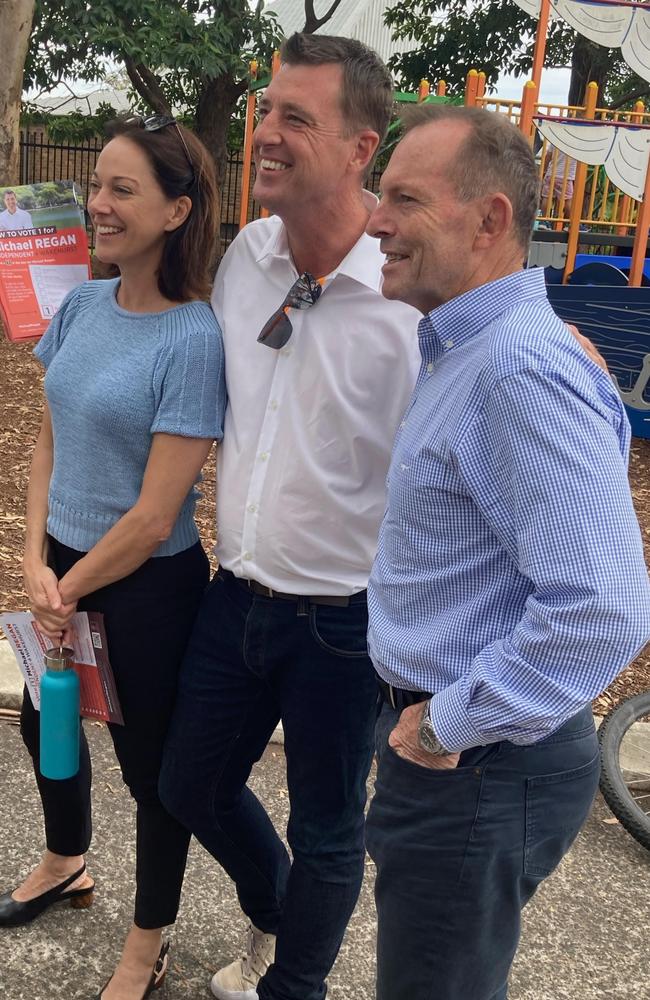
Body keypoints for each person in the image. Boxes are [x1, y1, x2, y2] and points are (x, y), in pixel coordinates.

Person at [364, 104, 650, 1000]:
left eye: (404, 199)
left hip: (474, 763)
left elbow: (602, 606)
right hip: (465, 756)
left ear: (489, 219)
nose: (375, 221)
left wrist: (446, 722)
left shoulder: (519, 366)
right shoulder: (476, 347)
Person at [158, 33, 421, 1000]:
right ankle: (278, 913)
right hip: (239, 594)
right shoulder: (246, 258)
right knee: (188, 784)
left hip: (346, 623)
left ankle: (294, 988)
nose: (266, 134)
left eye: (295, 119)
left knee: (328, 828)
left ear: (362, 148)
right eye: (268, 110)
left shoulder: (407, 298)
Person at [0, 117, 225, 1000]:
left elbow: (155, 513)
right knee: (40, 721)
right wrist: (30, 558)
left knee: (151, 774)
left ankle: (148, 942)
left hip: (146, 588)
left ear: (177, 209)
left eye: (123, 190)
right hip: (60, 565)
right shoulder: (83, 306)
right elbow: (47, 441)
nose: (98, 203)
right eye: (97, 184)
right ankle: (65, 859)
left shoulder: (194, 338)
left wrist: (68, 587)